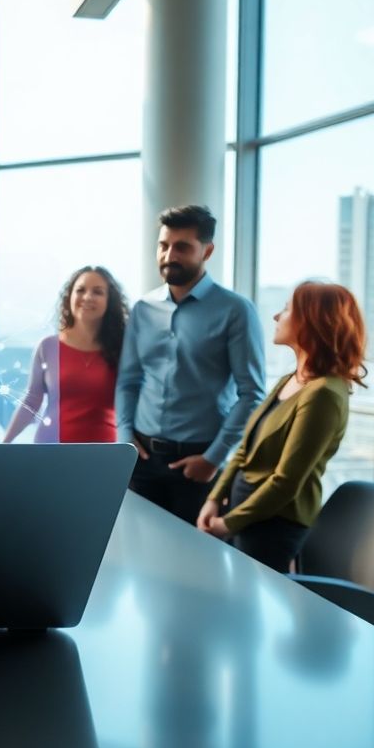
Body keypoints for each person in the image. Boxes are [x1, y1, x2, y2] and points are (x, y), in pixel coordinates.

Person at [197, 282, 366, 573]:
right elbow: (245, 450)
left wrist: (229, 523)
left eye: (287, 309)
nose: (277, 316)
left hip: (272, 526)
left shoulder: (323, 394)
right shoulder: (292, 379)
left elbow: (286, 482)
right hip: (244, 514)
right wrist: (214, 499)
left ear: (312, 320)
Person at [116, 204, 265, 525]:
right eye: (163, 245)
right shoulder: (143, 309)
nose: (169, 255)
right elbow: (128, 381)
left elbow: (252, 393)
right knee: (138, 556)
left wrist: (213, 458)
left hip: (197, 463)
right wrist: (124, 436)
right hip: (141, 457)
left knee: (190, 565)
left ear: (207, 250)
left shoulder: (236, 310)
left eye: (182, 247)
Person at [3, 266, 128, 444]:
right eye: (80, 290)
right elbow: (31, 402)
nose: (87, 297)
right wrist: (5, 443)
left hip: (105, 453)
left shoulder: (122, 348)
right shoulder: (48, 347)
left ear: (110, 301)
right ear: (69, 297)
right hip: (50, 451)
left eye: (98, 292)